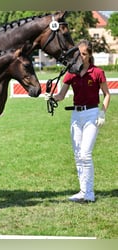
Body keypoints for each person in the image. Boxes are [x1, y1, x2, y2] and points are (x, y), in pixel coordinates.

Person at [53, 39, 110, 202]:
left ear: (90, 55)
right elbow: (61, 95)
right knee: (78, 154)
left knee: (85, 153)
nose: (81, 56)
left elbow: (107, 94)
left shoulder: (97, 72)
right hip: (76, 116)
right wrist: (52, 97)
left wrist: (102, 112)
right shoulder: (71, 72)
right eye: (79, 53)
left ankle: (89, 193)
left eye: (84, 54)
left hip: (92, 114)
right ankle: (82, 191)